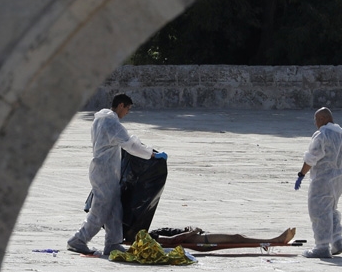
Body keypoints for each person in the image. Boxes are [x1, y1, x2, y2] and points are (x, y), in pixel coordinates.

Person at [68, 94, 167, 256]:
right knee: (100, 209)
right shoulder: (111, 123)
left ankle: (113, 243)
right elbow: (130, 145)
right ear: (121, 105)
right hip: (104, 172)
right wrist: (152, 154)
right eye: (127, 108)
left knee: (115, 208)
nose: (127, 112)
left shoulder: (100, 119)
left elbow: (125, 141)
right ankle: (78, 240)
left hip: (105, 170)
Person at [294, 107, 342, 258]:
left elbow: (312, 157)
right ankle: (337, 241)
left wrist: (301, 174)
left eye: (316, 120)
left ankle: (322, 246)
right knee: (331, 209)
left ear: (322, 119)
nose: (315, 123)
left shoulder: (323, 134)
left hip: (323, 178)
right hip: (340, 177)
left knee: (319, 210)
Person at [149, 227, 297, 251]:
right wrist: (192, 232)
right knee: (237, 238)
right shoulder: (149, 236)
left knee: (238, 237)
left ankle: (276, 239)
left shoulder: (150, 231)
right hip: (199, 239)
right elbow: (170, 241)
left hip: (197, 235)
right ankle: (276, 240)